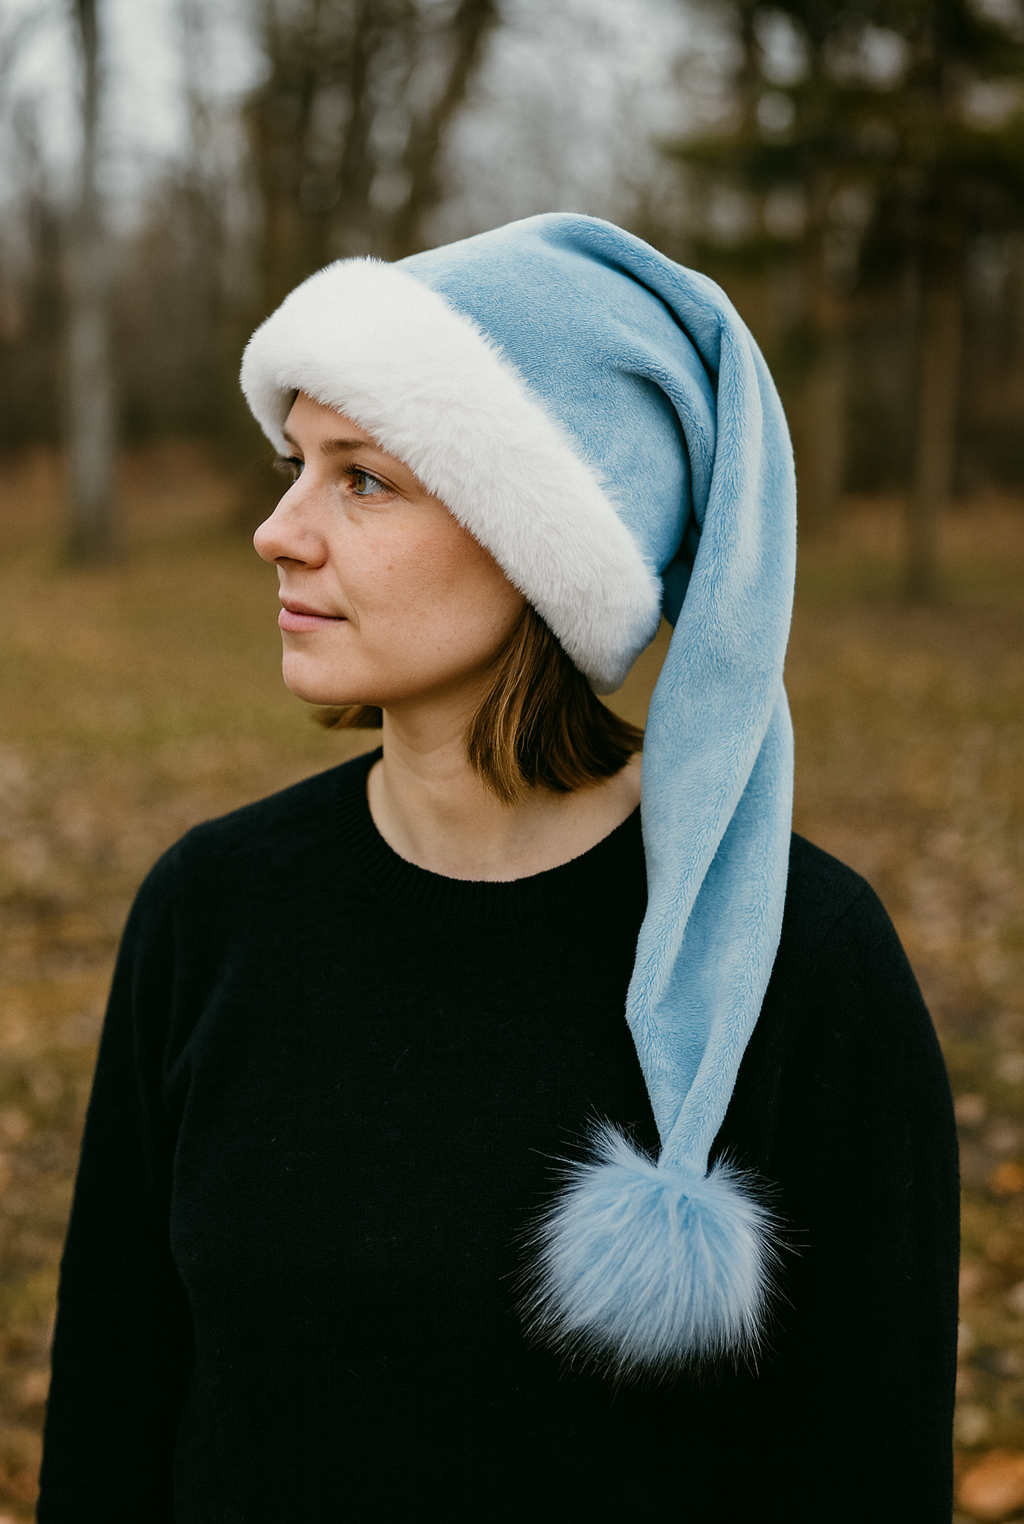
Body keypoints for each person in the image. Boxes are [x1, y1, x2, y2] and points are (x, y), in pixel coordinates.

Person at [38, 214, 958, 1523]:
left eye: (364, 478)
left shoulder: (800, 963)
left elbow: (864, 1472)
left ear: (546, 542)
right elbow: (114, 1421)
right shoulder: (211, 911)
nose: (277, 531)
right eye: (296, 463)